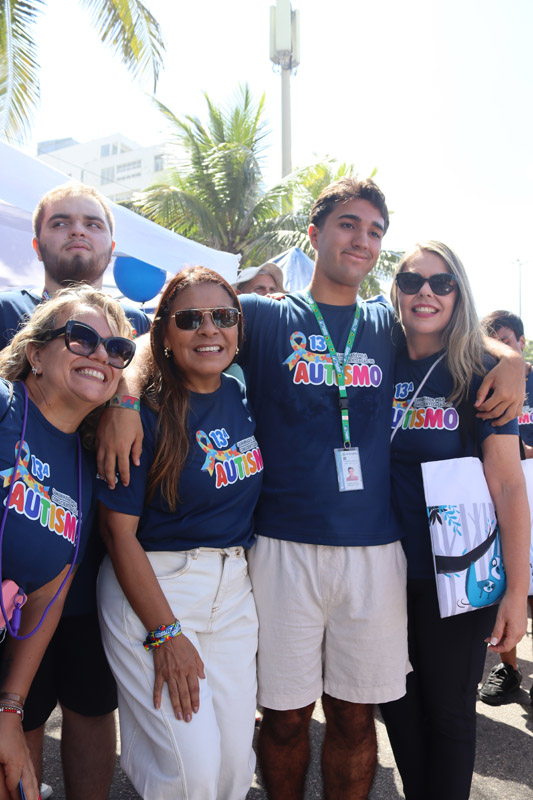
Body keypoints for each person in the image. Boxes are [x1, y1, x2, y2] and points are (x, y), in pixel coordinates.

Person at [95, 178, 525, 800]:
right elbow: (163, 331)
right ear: (315, 234)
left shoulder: (386, 320)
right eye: (348, 224)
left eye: (375, 231)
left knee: (354, 716)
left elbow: (455, 331)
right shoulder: (267, 315)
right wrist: (125, 398)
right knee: (287, 716)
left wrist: (510, 360)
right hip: (279, 548)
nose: (362, 240)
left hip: (374, 552)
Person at [0, 182, 150, 800]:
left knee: (84, 703)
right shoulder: (11, 316)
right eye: (62, 222)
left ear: (112, 244)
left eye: (92, 222)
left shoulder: (131, 333)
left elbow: (165, 345)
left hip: (70, 561)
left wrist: (126, 396)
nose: (78, 231)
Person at [96, 266, 263, 800]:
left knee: (235, 771)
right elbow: (118, 534)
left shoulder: (241, 395)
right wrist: (165, 634)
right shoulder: (138, 413)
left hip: (234, 591)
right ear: (164, 331)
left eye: (223, 317)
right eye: (190, 319)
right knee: (191, 775)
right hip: (157, 590)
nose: (209, 329)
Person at [379, 243, 530, 800]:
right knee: (394, 704)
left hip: (458, 573)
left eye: (442, 284)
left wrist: (518, 591)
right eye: (412, 280)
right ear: (394, 289)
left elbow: (510, 485)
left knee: (447, 714)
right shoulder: (376, 352)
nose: (426, 292)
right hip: (378, 565)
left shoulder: (483, 368)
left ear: (459, 293)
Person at [478, 309, 533, 705]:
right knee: (504, 586)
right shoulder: (483, 381)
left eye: (508, 342)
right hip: (501, 502)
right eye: (493, 342)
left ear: (522, 344)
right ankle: (509, 668)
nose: (502, 350)